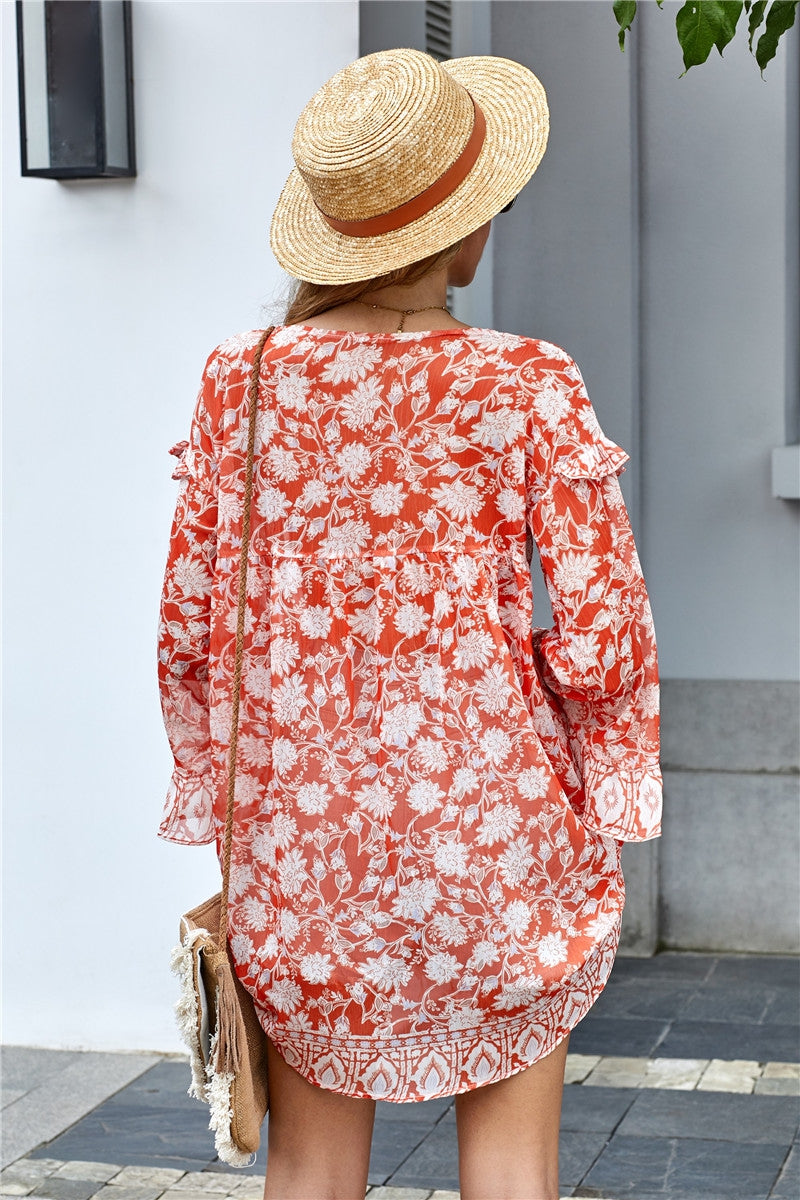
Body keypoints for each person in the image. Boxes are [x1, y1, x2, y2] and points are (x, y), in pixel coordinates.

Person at [158, 48, 661, 1200]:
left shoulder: (241, 384)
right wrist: (608, 779)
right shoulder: (526, 381)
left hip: (302, 846)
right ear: (465, 230)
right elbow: (600, 631)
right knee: (509, 1174)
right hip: (496, 836)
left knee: (310, 1169)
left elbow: (193, 629)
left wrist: (219, 789)